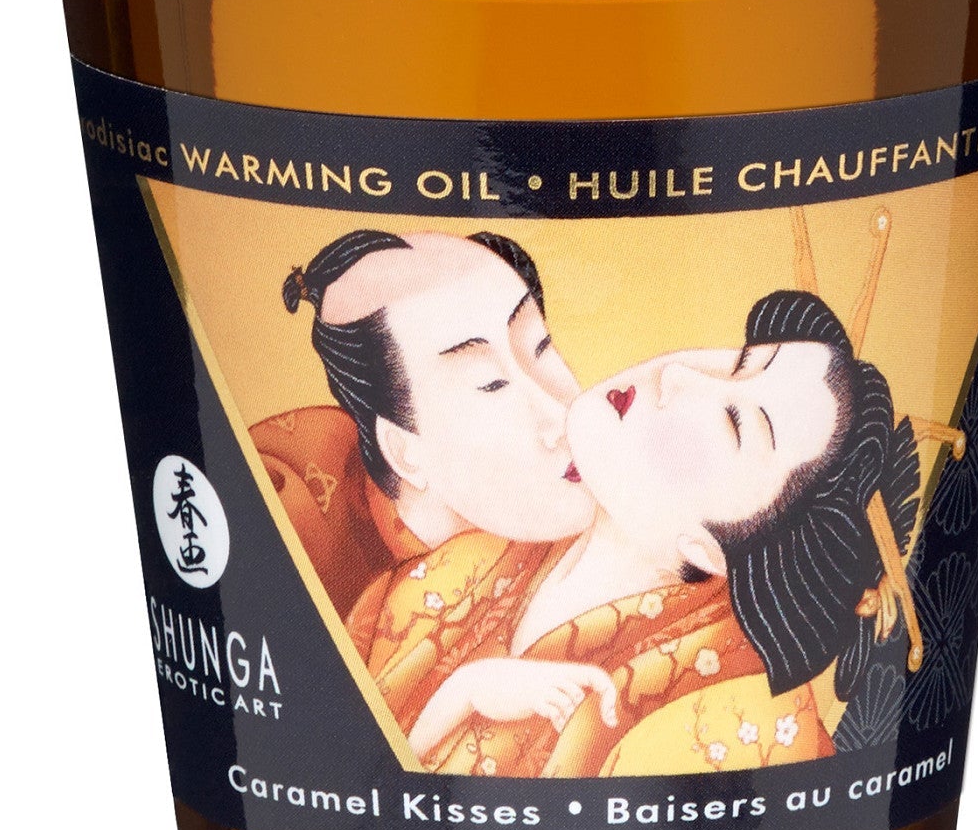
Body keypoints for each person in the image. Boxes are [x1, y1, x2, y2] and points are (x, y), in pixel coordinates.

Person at [351, 289, 922, 779]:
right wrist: (465, 692)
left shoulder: (725, 716)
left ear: (712, 550)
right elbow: (345, 784)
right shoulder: (477, 558)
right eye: (738, 361)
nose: (677, 374)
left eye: (734, 421)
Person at [253, 227, 589, 616]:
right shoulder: (295, 525)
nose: (561, 417)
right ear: (404, 451)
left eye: (541, 347)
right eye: (491, 383)